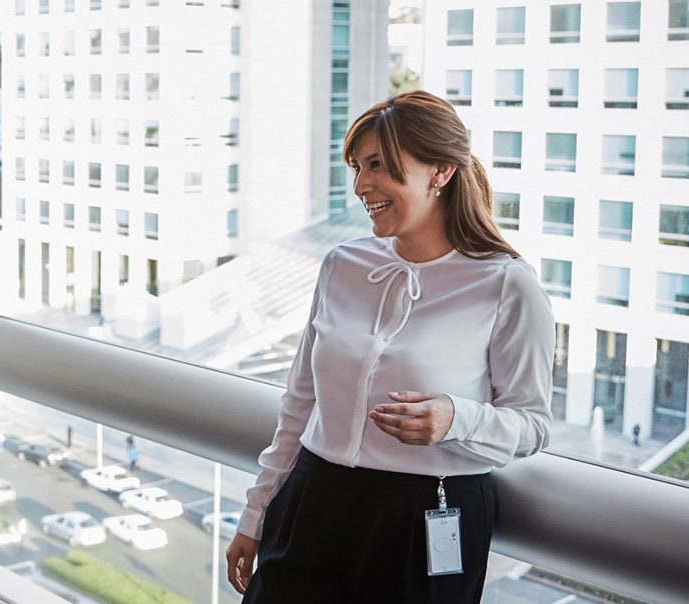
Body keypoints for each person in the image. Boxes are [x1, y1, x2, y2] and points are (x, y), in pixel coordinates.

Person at [225, 90, 554, 603]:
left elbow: (532, 424)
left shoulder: (507, 284)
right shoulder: (341, 265)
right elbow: (299, 405)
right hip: (314, 497)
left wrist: (456, 418)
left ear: (440, 171)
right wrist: (256, 512)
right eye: (358, 167)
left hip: (426, 520)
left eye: (377, 165)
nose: (361, 185)